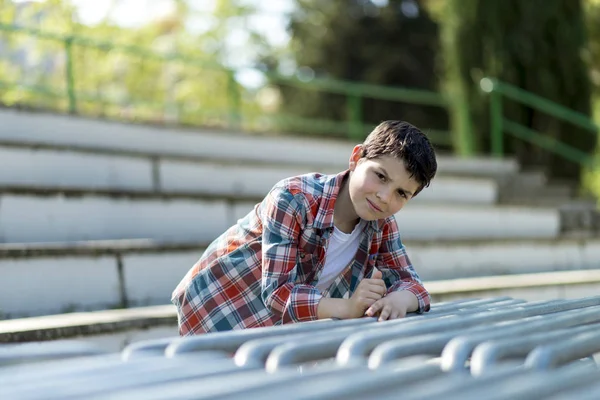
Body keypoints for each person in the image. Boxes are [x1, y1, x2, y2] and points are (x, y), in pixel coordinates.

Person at [172, 120, 437, 335]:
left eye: (401, 193)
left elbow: (412, 284)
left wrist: (401, 299)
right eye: (380, 176)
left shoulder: (382, 224)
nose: (384, 197)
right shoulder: (294, 197)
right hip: (216, 305)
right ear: (356, 158)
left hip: (273, 330)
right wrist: (348, 307)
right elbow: (278, 292)